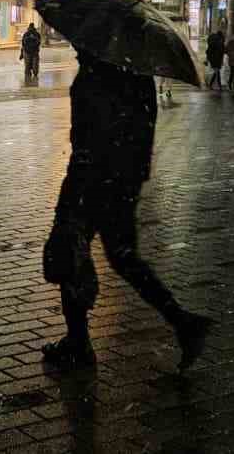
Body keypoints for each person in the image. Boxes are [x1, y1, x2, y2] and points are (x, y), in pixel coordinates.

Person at [42, 51, 213, 371]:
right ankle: (183, 323)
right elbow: (142, 131)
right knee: (124, 257)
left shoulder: (95, 77)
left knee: (68, 252)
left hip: (90, 183)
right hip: (122, 183)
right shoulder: (137, 76)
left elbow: (86, 142)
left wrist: (74, 192)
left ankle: (78, 343)